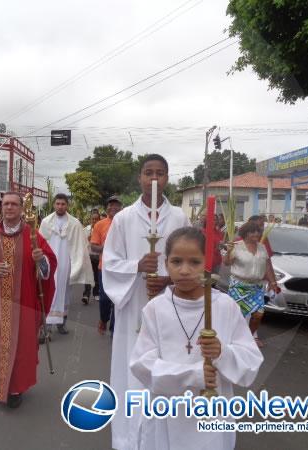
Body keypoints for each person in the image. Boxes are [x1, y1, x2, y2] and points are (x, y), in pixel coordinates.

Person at [129, 227, 263, 450]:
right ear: (166, 263)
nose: (184, 270)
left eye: (194, 262)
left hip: (211, 416)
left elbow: (250, 363)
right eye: (176, 261)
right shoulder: (155, 309)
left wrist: (222, 352)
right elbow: (142, 365)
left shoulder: (225, 306)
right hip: (167, 414)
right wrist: (193, 375)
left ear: (206, 263)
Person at [102, 154, 190, 450]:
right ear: (139, 178)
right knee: (131, 371)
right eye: (148, 173)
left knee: (169, 367)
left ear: (168, 178)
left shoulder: (179, 217)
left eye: (160, 173)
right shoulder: (124, 218)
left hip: (170, 305)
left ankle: (166, 438)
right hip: (134, 308)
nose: (154, 179)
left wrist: (169, 279)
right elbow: (110, 262)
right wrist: (136, 267)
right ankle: (128, 439)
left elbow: (191, 259)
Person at [0, 192, 57, 409]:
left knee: (21, 347)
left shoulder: (33, 235)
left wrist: (41, 260)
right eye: (5, 204)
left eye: (13, 204)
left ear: (20, 209)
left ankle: (15, 388)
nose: (9, 208)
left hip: (23, 302)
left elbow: (50, 263)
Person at [39, 193, 93, 336]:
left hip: (67, 264)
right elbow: (40, 242)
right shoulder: (46, 222)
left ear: (67, 205)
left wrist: (78, 263)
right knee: (51, 293)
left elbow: (81, 245)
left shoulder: (75, 223)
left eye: (63, 204)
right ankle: (47, 328)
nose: (60, 206)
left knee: (65, 294)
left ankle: (61, 324)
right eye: (58, 204)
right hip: (51, 265)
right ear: (54, 204)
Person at [223, 221, 277, 348]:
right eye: (253, 232)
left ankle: (248, 337)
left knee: (258, 314)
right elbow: (227, 263)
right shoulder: (236, 246)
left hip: (256, 286)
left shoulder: (262, 247)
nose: (256, 234)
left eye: (258, 231)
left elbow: (267, 265)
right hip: (239, 286)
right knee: (238, 315)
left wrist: (273, 281)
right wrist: (228, 252)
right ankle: (233, 338)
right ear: (245, 234)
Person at [90, 196, 123, 335]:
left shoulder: (126, 224)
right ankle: (103, 319)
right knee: (104, 299)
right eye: (111, 205)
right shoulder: (100, 225)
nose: (113, 208)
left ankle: (114, 331)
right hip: (104, 268)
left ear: (121, 208)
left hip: (122, 269)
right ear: (107, 208)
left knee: (118, 301)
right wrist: (106, 247)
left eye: (116, 205)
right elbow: (93, 247)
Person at [82, 209, 101, 304]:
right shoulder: (86, 230)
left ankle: (96, 293)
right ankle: (86, 295)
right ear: (90, 220)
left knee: (97, 276)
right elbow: (81, 244)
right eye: (93, 219)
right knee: (88, 276)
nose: (94, 221)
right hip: (88, 255)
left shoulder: (102, 229)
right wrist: (88, 240)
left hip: (98, 257)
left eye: (96, 219)